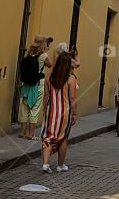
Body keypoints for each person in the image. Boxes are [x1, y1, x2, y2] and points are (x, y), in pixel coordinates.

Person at [41, 44, 77, 172]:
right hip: (64, 113)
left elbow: (46, 95)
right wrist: (74, 114)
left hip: (51, 111)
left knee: (48, 136)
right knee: (62, 138)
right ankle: (60, 165)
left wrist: (45, 110)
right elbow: (72, 98)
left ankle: (45, 163)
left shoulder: (49, 77)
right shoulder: (71, 79)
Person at [18, 38, 45, 140]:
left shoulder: (26, 58)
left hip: (26, 85)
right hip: (34, 86)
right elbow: (48, 65)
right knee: (34, 109)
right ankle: (31, 134)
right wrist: (41, 75)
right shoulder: (41, 57)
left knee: (24, 109)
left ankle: (22, 132)